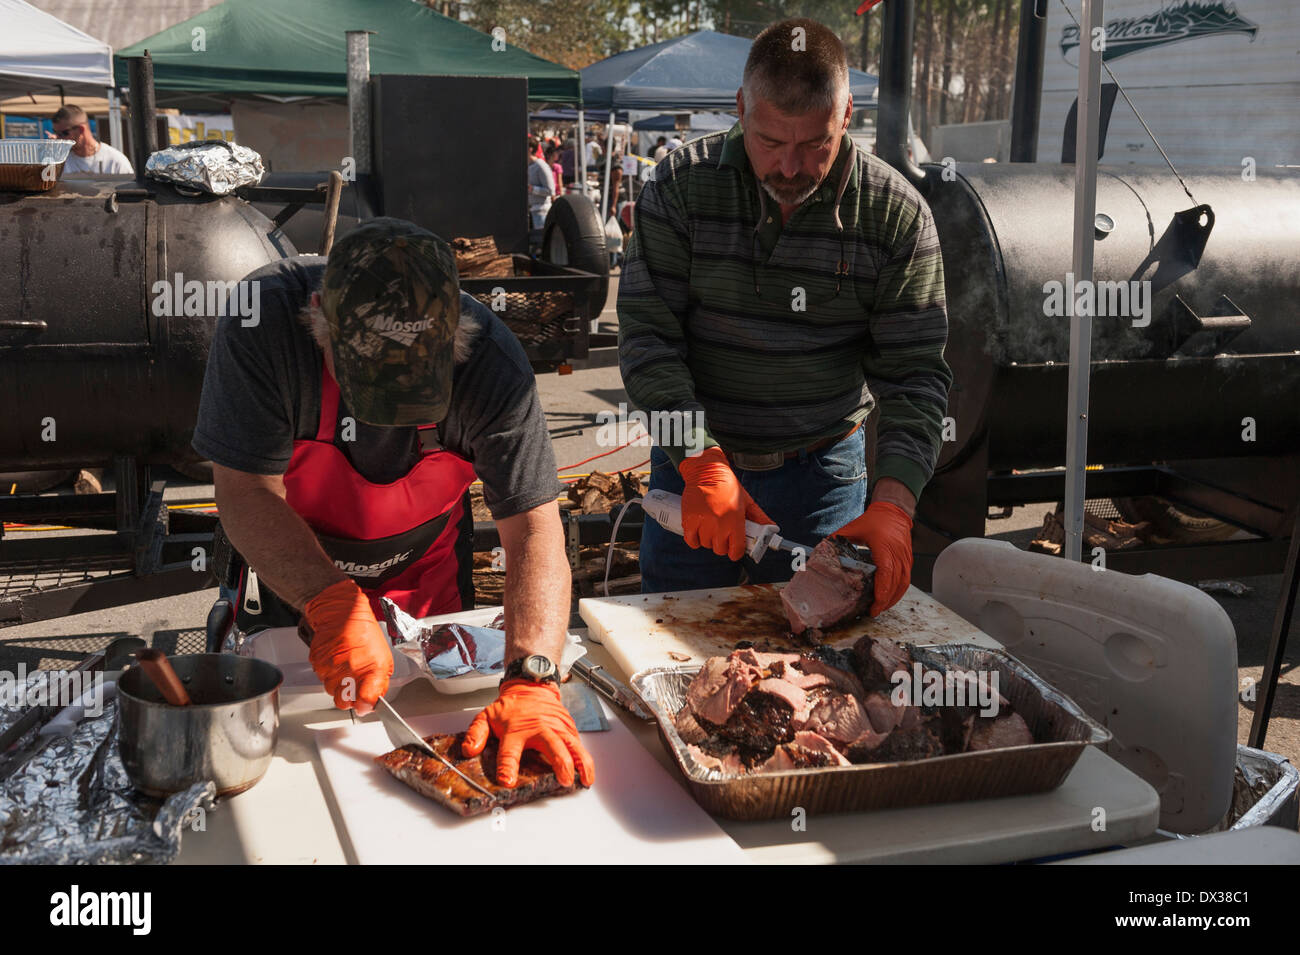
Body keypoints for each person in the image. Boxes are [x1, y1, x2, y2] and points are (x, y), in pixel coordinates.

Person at [193, 218, 593, 789]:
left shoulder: (493, 366)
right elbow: (244, 491)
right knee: (300, 763)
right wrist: (327, 600)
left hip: (426, 569)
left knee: (432, 728)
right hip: (297, 568)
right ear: (318, 320)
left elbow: (534, 533)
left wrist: (533, 675)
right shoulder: (263, 325)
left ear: (458, 333)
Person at [617, 18, 952, 616]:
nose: (790, 168)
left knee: (826, 669)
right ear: (741, 107)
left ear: (847, 114)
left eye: (813, 143)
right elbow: (649, 343)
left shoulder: (896, 214)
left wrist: (895, 505)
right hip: (695, 472)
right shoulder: (678, 189)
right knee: (677, 640)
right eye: (770, 141)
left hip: (822, 477)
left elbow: (914, 375)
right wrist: (698, 458)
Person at [48, 105, 133, 176]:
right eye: (56, 133)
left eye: (64, 133)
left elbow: (130, 193)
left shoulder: (114, 160)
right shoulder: (59, 161)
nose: (58, 138)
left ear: (81, 129)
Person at [527, 144, 555, 228]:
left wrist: (532, 189)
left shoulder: (541, 166)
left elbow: (550, 190)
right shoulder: (529, 166)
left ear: (530, 149)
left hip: (541, 212)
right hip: (532, 212)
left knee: (540, 239)